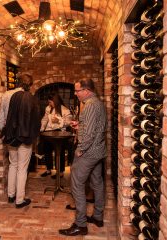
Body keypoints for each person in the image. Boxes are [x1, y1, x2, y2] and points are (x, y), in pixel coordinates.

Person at [59, 79, 107, 236]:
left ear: (86, 90)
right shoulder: (98, 103)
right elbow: (95, 127)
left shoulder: (90, 106)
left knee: (77, 184)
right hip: (98, 151)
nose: (75, 93)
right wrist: (80, 126)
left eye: (77, 90)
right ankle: (98, 217)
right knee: (97, 183)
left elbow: (89, 134)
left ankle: (80, 224)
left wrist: (80, 149)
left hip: (88, 153)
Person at [0, 73, 40, 208]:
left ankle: (11, 195)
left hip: (10, 136)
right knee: (22, 167)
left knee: (12, 165)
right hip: (25, 136)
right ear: (29, 85)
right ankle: (19, 199)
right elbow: (34, 122)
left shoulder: (7, 95)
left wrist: (4, 133)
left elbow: (1, 118)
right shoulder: (30, 99)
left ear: (17, 82)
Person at [39, 93, 72, 178]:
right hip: (48, 132)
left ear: (55, 101)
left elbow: (69, 122)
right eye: (49, 102)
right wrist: (42, 128)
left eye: (51, 102)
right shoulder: (48, 108)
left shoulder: (64, 110)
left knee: (59, 152)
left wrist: (59, 121)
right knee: (47, 151)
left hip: (59, 132)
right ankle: (48, 169)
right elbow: (45, 119)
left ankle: (60, 172)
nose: (49, 104)